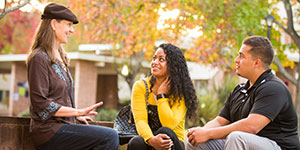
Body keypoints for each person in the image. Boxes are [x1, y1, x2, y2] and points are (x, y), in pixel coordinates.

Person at [26, 3, 118, 150]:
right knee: (109, 136)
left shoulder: (61, 58)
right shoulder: (39, 58)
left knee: (118, 134)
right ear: (54, 24)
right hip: (48, 131)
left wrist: (74, 116)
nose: (72, 30)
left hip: (64, 125)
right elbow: (40, 104)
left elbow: (59, 97)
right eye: (68, 25)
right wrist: (77, 111)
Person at [186, 35, 300, 150]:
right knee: (195, 142)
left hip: (280, 146)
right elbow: (220, 121)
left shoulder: (273, 88)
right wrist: (201, 133)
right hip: (246, 144)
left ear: (256, 63)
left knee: (237, 137)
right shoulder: (240, 89)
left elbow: (252, 126)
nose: (236, 60)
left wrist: (209, 134)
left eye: (241, 56)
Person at [127, 43, 198, 150]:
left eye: (161, 59)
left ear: (172, 65)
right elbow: (140, 120)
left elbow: (169, 124)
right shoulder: (141, 86)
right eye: (154, 58)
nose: (154, 63)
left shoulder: (180, 91)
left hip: (174, 143)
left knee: (165, 132)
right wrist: (151, 140)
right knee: (136, 142)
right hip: (150, 140)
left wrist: (161, 96)